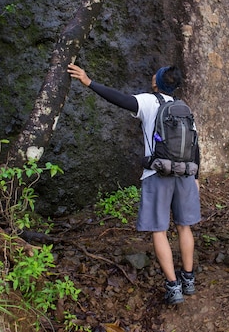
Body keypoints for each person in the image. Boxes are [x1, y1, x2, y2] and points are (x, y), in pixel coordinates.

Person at [67, 63, 201, 305]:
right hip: (185, 175)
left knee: (159, 230)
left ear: (156, 83)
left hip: (157, 173)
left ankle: (173, 286)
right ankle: (188, 280)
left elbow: (121, 100)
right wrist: (196, 178)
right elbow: (194, 146)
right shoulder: (184, 109)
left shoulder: (150, 102)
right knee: (184, 227)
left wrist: (89, 82)